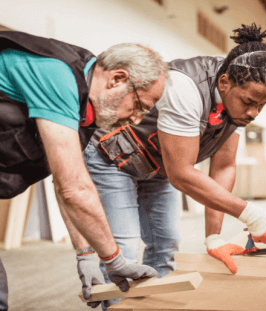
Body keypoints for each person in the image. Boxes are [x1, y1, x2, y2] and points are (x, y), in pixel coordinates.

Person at [85, 23, 266, 309]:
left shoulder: (238, 100)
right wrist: (254, 216)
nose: (253, 113)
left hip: (156, 166)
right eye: (249, 103)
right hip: (113, 157)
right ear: (225, 83)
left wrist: (213, 237)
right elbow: (182, 174)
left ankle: (152, 306)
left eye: (262, 106)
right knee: (124, 251)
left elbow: (224, 166)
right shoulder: (186, 87)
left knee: (166, 245)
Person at [0, 31, 168, 310]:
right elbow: (73, 187)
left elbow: (62, 183)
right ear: (117, 79)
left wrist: (86, 254)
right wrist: (113, 260)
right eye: (139, 106)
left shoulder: (85, 106)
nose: (136, 119)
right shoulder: (57, 74)